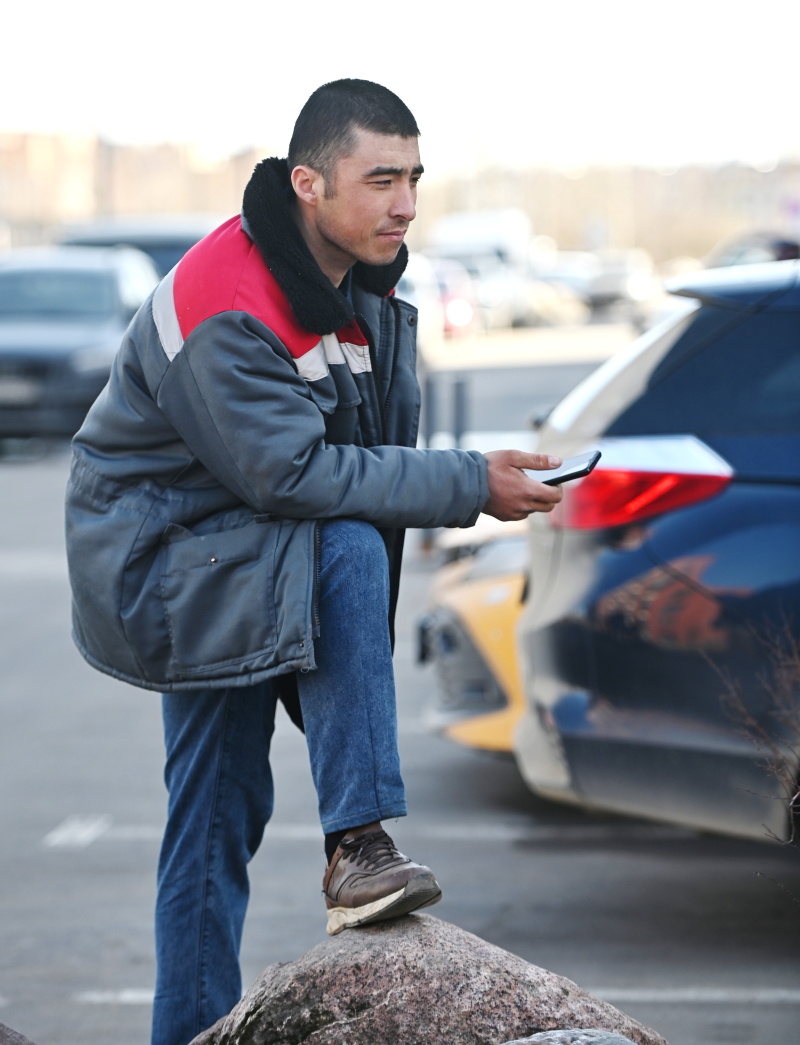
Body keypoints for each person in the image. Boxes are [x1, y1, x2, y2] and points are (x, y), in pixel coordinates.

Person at [64, 79, 562, 1045]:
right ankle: (358, 845)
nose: (405, 204)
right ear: (308, 183)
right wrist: (468, 483)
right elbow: (298, 477)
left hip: (248, 545)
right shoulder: (230, 301)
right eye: (380, 180)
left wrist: (346, 659)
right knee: (215, 812)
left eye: (414, 178)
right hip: (170, 562)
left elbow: (358, 458)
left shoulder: (353, 280)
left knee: (211, 819)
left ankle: (323, 883)